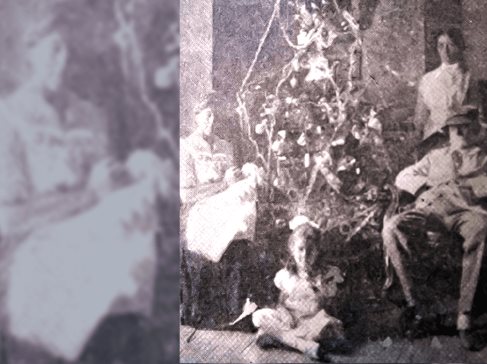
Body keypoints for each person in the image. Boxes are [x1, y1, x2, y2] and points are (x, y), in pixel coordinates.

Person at [0, 18, 170, 362]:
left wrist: (134, 171)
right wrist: (90, 195)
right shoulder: (10, 120)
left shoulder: (89, 115)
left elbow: (107, 186)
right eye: (54, 50)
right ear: (30, 54)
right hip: (39, 252)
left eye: (71, 53)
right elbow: (9, 220)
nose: (64, 63)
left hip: (104, 241)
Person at [382, 106, 487, 350]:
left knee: (481, 229)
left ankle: (464, 316)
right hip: (430, 208)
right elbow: (404, 176)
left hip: (468, 211)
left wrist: (471, 188)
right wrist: (422, 187)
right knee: (393, 227)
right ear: (447, 132)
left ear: (475, 131)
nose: (459, 132)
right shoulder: (435, 156)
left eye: (465, 127)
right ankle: (419, 307)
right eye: (454, 128)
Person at [180, 93, 257, 326]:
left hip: (226, 209)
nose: (212, 120)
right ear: (197, 117)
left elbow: (234, 188)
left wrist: (243, 175)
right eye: (207, 115)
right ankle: (220, 311)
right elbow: (186, 195)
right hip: (199, 211)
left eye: (216, 115)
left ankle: (234, 311)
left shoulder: (226, 147)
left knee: (244, 207)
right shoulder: (185, 147)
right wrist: (223, 184)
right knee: (237, 225)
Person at [252, 222, 348, 362]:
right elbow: (280, 302)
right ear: (292, 249)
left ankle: (280, 338)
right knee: (258, 316)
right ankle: (304, 346)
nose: (305, 255)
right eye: (301, 249)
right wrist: (285, 314)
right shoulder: (285, 276)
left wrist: (320, 287)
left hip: (314, 321)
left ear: (318, 250)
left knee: (329, 328)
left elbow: (330, 304)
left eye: (311, 250)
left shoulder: (328, 274)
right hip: (290, 321)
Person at [413, 28, 478, 158]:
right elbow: (420, 117)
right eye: (441, 46)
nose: (445, 51)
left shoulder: (469, 78)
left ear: (460, 47)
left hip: (461, 141)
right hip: (432, 140)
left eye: (451, 45)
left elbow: (477, 116)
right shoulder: (427, 79)